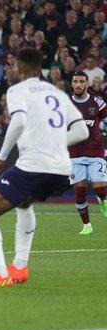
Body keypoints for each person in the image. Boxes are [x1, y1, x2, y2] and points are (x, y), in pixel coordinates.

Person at [0, 47, 89, 288]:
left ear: (19, 69)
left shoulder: (17, 90)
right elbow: (82, 131)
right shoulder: (57, 93)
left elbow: (19, 121)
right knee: (23, 202)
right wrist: (55, 142)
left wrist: (1, 156)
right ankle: (20, 267)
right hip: (62, 169)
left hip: (34, 165)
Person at [68, 71, 107, 235]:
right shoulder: (65, 104)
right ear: (71, 84)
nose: (78, 84)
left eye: (81, 81)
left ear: (87, 84)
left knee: (99, 188)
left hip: (95, 152)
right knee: (80, 191)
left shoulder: (97, 102)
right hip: (74, 155)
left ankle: (102, 199)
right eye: (75, 81)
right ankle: (87, 226)